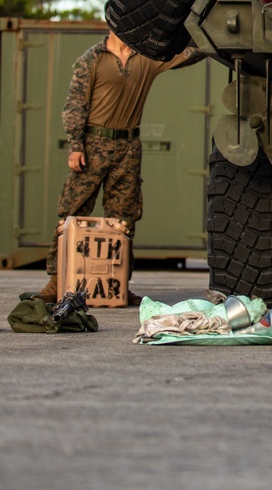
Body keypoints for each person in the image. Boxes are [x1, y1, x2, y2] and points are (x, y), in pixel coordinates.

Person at [36, 30, 203, 303]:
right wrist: (75, 145)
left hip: (128, 147)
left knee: (124, 219)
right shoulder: (91, 59)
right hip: (92, 145)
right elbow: (75, 105)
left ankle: (118, 283)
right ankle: (56, 282)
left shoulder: (148, 59)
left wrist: (195, 26)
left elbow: (193, 52)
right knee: (71, 213)